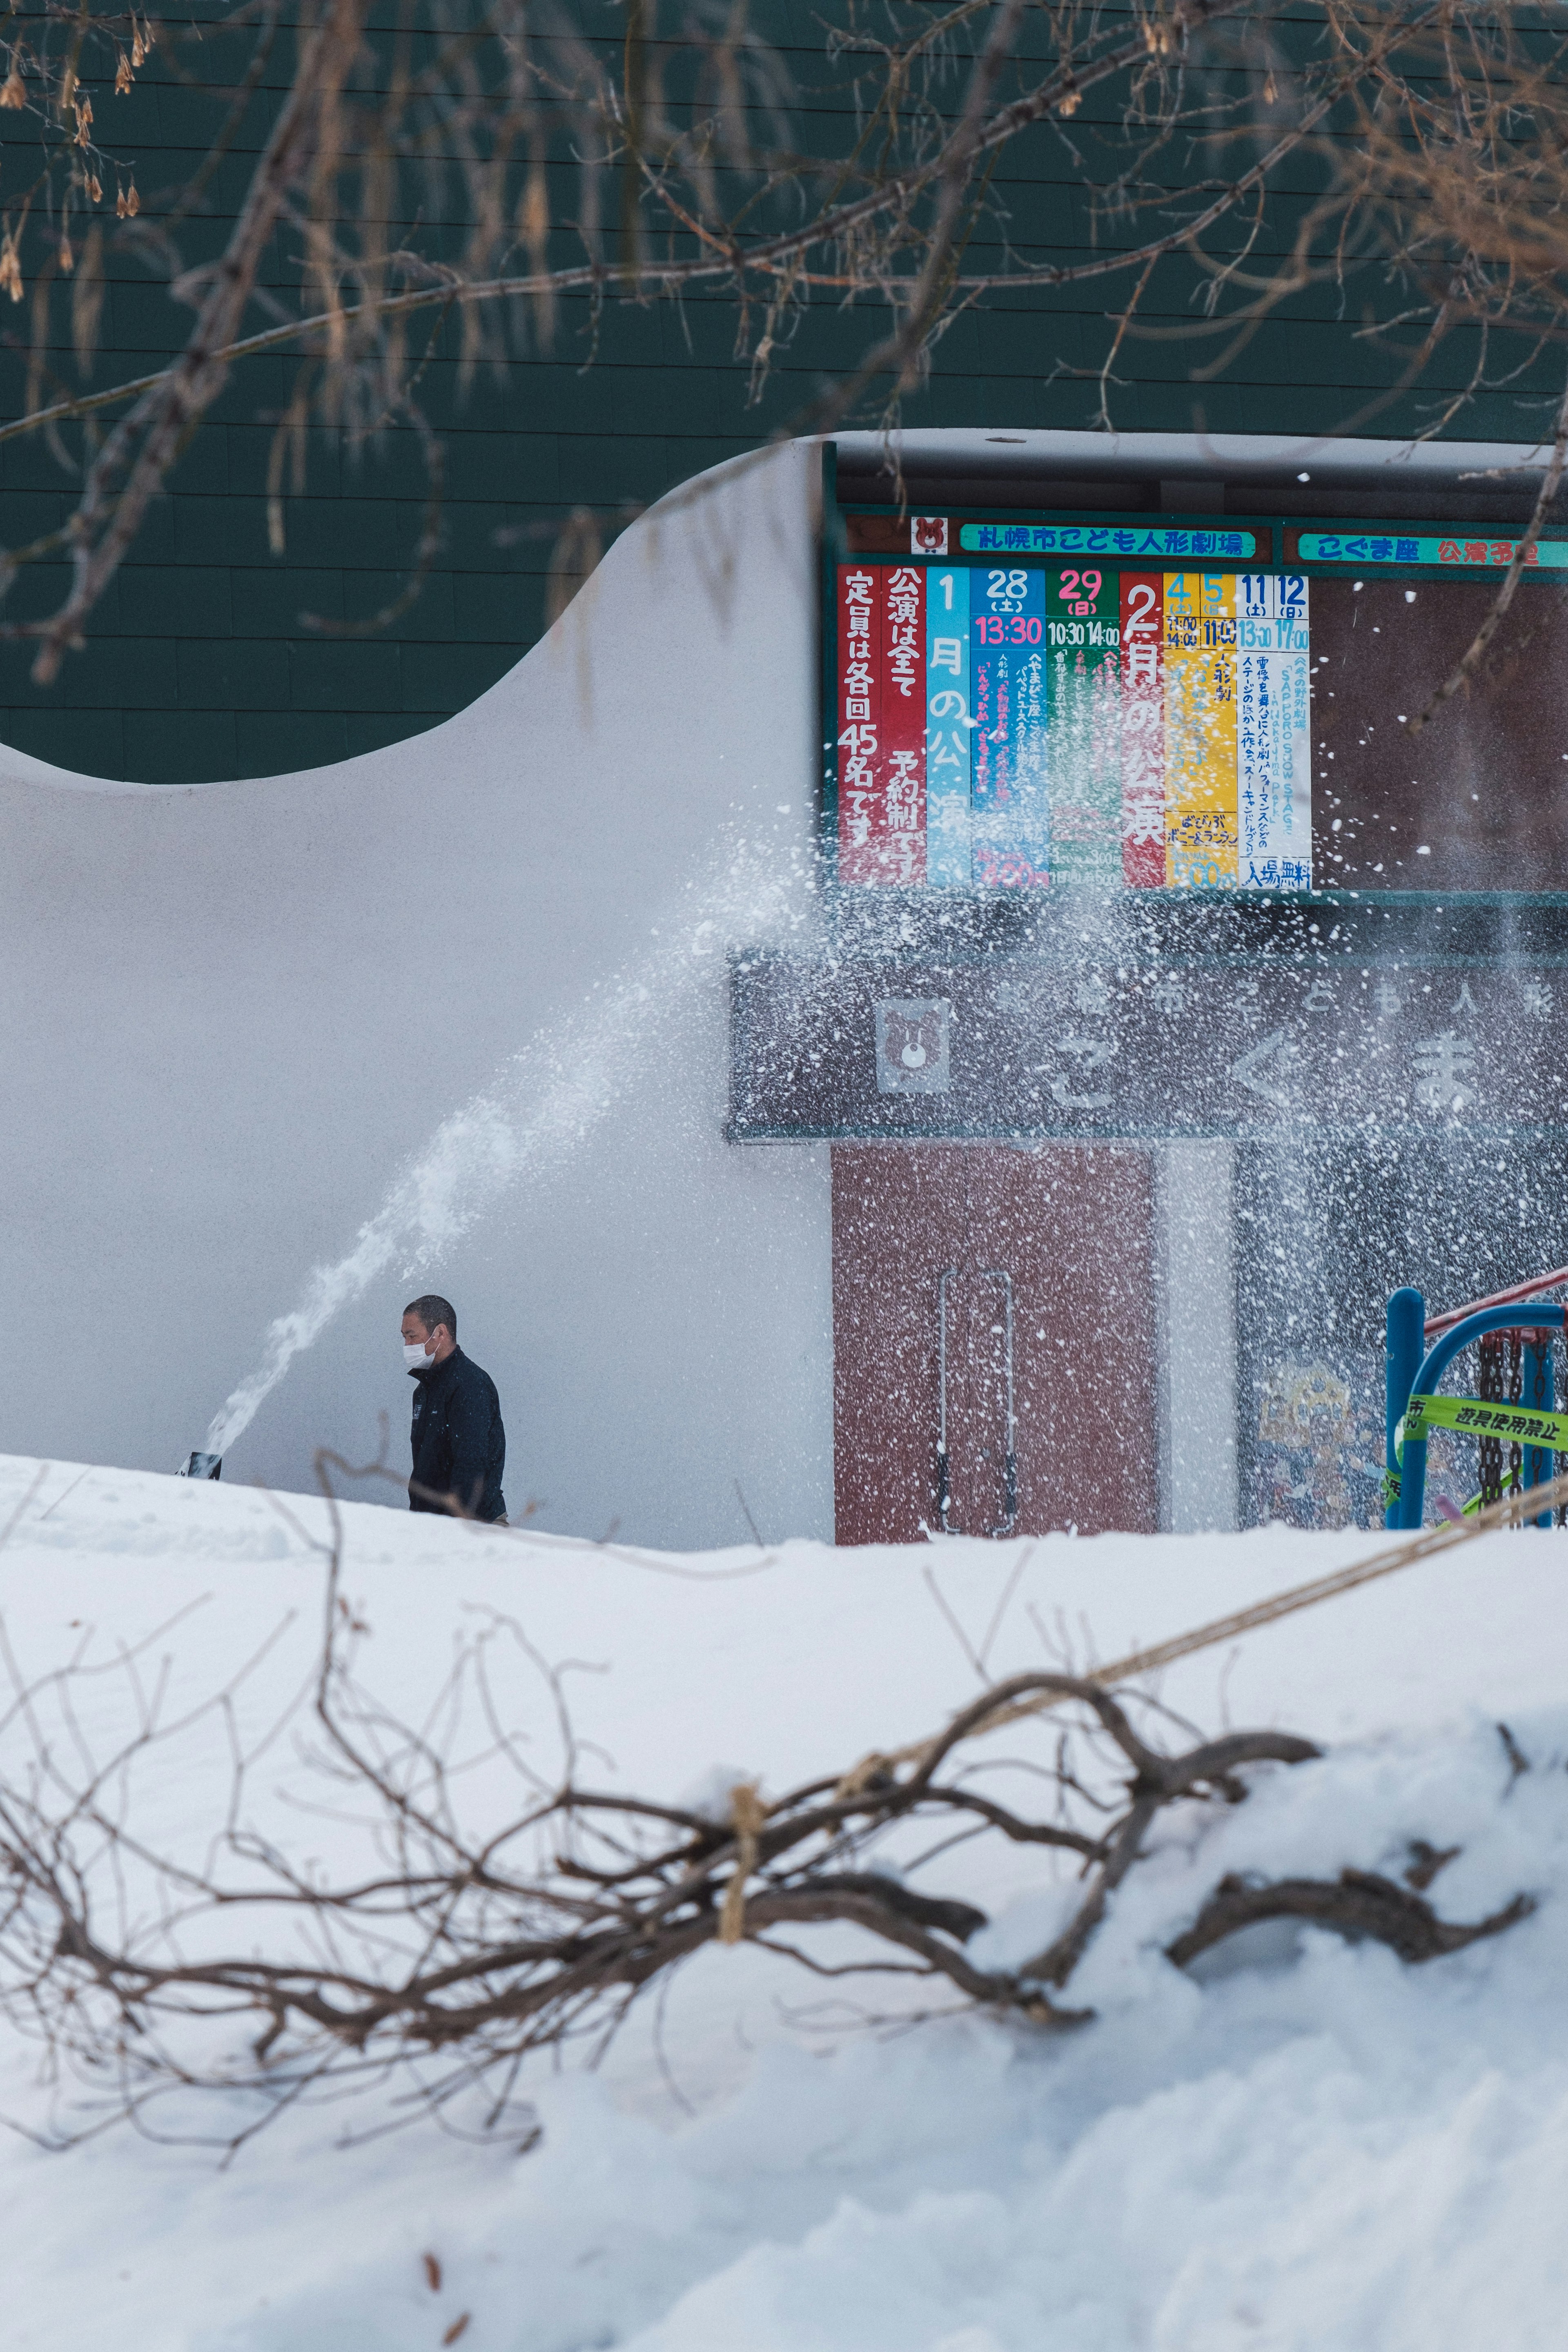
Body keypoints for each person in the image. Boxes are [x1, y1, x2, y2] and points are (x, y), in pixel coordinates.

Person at [401, 1294, 508, 1523]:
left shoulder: (470, 1385)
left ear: (440, 1333)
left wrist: (454, 1528)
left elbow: (471, 1464)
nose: (407, 1346)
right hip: (432, 1526)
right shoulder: (424, 1391)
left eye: (412, 1337)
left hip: (473, 1527)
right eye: (404, 1338)